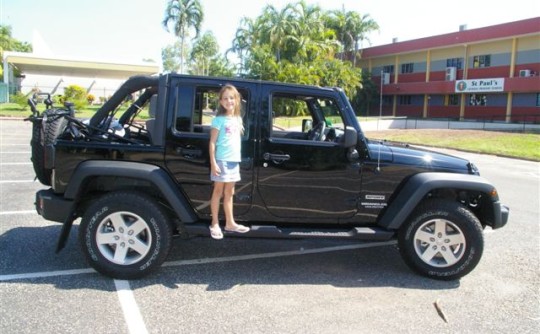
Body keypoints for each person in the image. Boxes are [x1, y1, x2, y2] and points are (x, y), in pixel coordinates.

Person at [208, 84, 250, 240]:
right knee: (218, 192)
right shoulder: (218, 120)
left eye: (231, 98)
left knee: (229, 193)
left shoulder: (238, 119)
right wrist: (213, 162)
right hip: (222, 161)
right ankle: (214, 223)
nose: (228, 101)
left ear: (237, 100)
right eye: (225, 98)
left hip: (234, 161)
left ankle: (230, 223)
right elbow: (212, 142)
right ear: (220, 101)